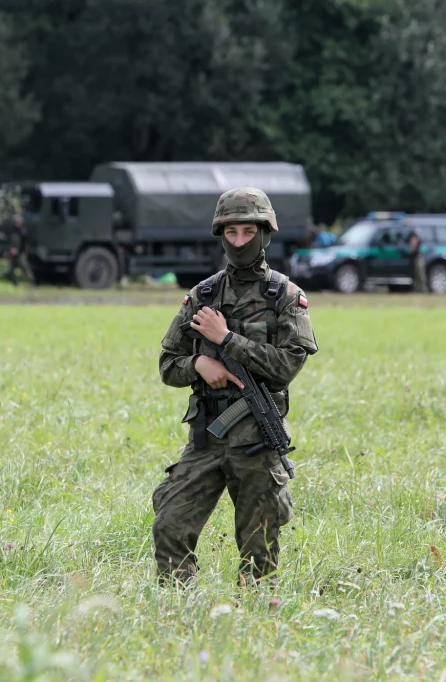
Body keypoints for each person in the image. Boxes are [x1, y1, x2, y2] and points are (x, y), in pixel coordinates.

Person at [153, 187, 318, 586]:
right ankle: (178, 613)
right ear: (220, 234)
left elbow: (286, 367)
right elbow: (167, 365)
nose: (240, 241)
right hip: (207, 437)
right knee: (169, 525)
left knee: (258, 550)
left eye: (248, 232)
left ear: (265, 233)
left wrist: (227, 341)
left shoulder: (285, 297)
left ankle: (257, 625)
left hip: (258, 443)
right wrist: (199, 363)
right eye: (231, 232)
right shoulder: (203, 295)